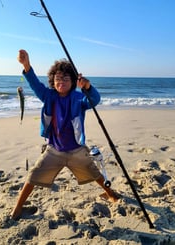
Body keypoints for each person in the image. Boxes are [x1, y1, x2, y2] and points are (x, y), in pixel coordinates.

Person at [11, 49, 118, 220]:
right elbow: (35, 84)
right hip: (54, 149)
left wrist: (88, 87)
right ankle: (17, 207)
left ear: (74, 81)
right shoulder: (48, 96)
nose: (61, 82)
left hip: (76, 149)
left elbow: (95, 100)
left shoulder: (78, 98)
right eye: (58, 79)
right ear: (53, 81)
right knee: (32, 176)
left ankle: (111, 194)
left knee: (95, 173)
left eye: (66, 78)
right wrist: (26, 65)